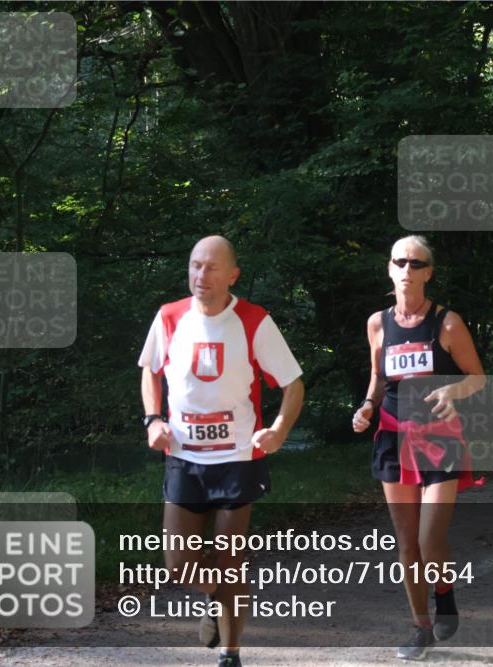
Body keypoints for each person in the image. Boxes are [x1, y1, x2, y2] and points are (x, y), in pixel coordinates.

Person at [138, 235, 304, 667]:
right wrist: (153, 419)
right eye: (195, 265)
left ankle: (230, 655)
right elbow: (149, 371)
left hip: (237, 458)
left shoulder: (253, 320)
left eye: (212, 267)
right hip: (184, 456)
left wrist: (279, 430)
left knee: (231, 562)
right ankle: (216, 594)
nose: (201, 275)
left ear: (233, 275)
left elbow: (293, 384)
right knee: (178, 565)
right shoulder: (169, 316)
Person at [352, 235, 485, 660]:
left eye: (415, 263)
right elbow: (378, 377)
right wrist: (367, 406)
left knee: (430, 537)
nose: (406, 269)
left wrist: (452, 391)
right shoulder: (377, 324)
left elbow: (477, 377)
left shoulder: (447, 323)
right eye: (399, 262)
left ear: (428, 272)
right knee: (407, 543)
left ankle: (444, 593)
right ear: (389, 269)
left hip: (440, 439)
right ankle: (420, 627)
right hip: (393, 438)